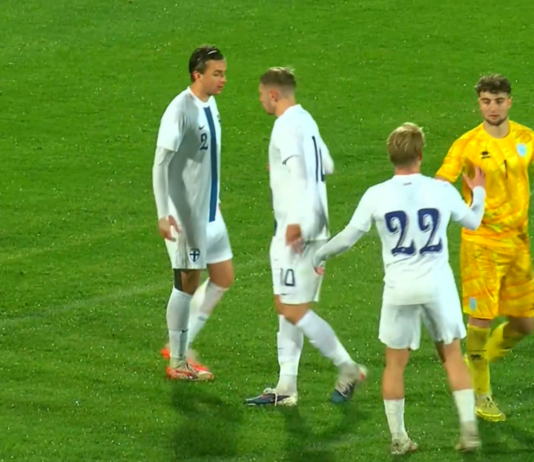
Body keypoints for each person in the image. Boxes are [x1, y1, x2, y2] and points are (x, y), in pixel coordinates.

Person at [313, 123, 485, 454]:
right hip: (438, 286)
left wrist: (319, 255)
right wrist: (478, 192)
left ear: (391, 156)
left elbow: (348, 237)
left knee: (395, 365)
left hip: (399, 289)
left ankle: (399, 438)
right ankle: (468, 431)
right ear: (420, 155)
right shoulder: (440, 190)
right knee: (452, 357)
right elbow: (474, 221)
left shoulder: (376, 194)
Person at [245, 67, 367, 407]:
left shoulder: (284, 125)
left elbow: (299, 171)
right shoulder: (307, 120)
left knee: (290, 307)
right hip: (318, 225)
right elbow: (326, 165)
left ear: (273, 94)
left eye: (261, 94)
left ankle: (347, 367)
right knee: (290, 305)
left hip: (295, 228)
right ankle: (286, 387)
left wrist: (295, 221)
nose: (260, 100)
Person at [435, 74, 534, 422]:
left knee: (525, 323)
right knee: (481, 319)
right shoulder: (467, 144)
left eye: (499, 101)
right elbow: (439, 184)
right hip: (481, 244)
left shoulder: (526, 138)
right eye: (486, 101)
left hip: (518, 243)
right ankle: (481, 395)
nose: (493, 108)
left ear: (510, 101)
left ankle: (473, 362)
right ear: (479, 103)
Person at [153, 45, 234, 381]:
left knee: (223, 277)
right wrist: (163, 214)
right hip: (186, 215)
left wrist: (214, 198)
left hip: (210, 210)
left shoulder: (210, 103)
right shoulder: (180, 109)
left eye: (224, 73)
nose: (223, 79)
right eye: (217, 74)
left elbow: (204, 160)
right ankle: (178, 361)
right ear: (197, 74)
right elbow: (160, 164)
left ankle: (180, 348)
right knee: (187, 284)